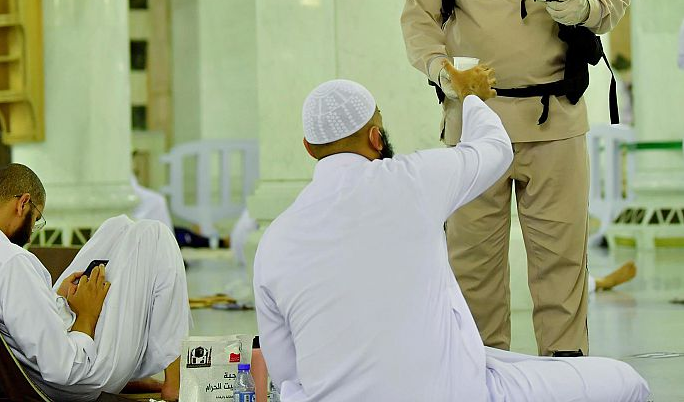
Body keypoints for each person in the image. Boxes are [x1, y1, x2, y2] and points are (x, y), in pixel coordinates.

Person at [253, 79, 649, 402]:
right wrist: (471, 97)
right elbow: (494, 149)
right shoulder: (412, 180)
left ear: (309, 150)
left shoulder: (275, 240)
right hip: (454, 392)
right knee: (622, 381)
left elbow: (287, 370)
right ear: (377, 138)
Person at [401, 0, 629, 356]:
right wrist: (442, 70)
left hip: (556, 122)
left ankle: (566, 374)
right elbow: (418, 22)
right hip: (475, 128)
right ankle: (482, 373)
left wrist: (586, 9)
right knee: (472, 265)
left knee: (561, 261)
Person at [0, 163, 190, 402]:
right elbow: (63, 368)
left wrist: (57, 300)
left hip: (8, 375)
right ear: (23, 204)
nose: (32, 230)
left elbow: (11, 322)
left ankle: (127, 373)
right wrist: (86, 316)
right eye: (36, 218)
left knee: (116, 228)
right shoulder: (12, 262)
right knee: (154, 234)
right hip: (72, 382)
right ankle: (174, 380)